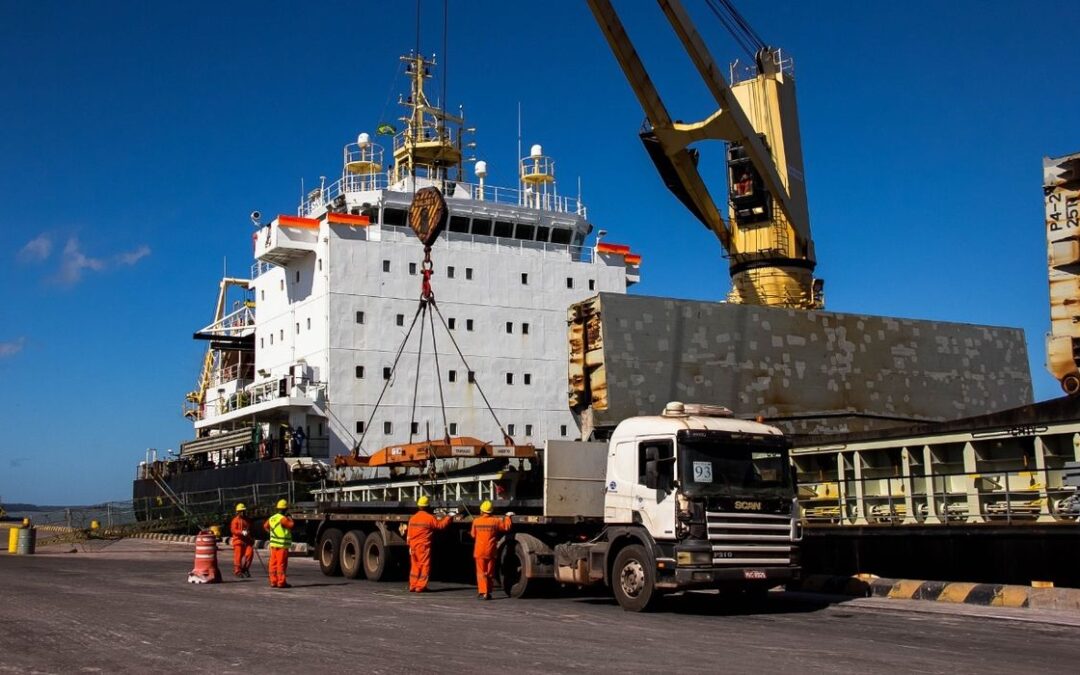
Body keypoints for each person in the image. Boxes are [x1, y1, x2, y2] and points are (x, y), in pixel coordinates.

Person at [407, 495, 451, 593]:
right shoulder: (429, 518)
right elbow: (440, 526)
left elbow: (409, 534)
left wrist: (409, 545)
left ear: (418, 506)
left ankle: (413, 585)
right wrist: (448, 517)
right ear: (428, 506)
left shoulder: (412, 518)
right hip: (423, 546)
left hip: (413, 546)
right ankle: (420, 587)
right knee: (424, 566)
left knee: (415, 566)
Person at [470, 500, 513, 600]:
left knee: (481, 573)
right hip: (491, 551)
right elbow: (506, 527)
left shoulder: (476, 521)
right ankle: (488, 592)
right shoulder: (496, 520)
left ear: (481, 511)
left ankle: (483, 592)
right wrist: (507, 517)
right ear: (491, 511)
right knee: (489, 573)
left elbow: (473, 535)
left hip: (479, 551)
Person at [263, 499, 294, 588]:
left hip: (273, 545)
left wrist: (272, 534)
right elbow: (291, 525)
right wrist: (290, 518)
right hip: (282, 545)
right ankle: (281, 582)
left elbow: (265, 526)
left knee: (273, 563)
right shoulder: (283, 519)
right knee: (281, 564)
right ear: (285, 509)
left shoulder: (272, 518)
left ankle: (273, 581)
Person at [230, 503, 255, 578]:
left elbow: (249, 530)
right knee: (238, 557)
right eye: (241, 511)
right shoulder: (235, 520)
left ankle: (245, 569)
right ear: (237, 512)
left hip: (247, 541)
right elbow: (233, 530)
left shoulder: (247, 520)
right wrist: (241, 532)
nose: (243, 512)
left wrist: (251, 539)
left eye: (243, 511)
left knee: (250, 554)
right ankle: (237, 571)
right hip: (238, 541)